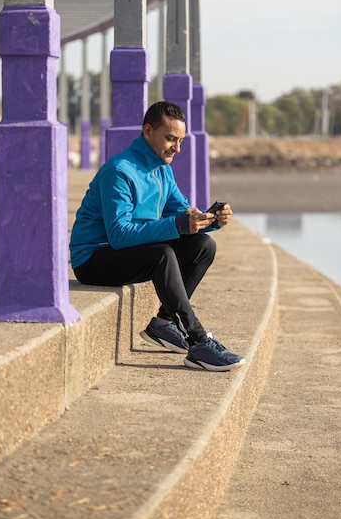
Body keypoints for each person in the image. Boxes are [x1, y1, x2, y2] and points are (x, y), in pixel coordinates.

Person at [69, 101, 246, 372]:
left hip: (129, 250)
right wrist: (178, 224)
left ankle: (164, 323)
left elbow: (182, 213)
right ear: (148, 131)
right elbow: (118, 234)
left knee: (203, 245)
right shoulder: (119, 171)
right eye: (170, 139)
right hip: (94, 259)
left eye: (180, 140)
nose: (177, 148)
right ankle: (197, 340)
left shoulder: (162, 169)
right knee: (161, 255)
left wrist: (211, 221)